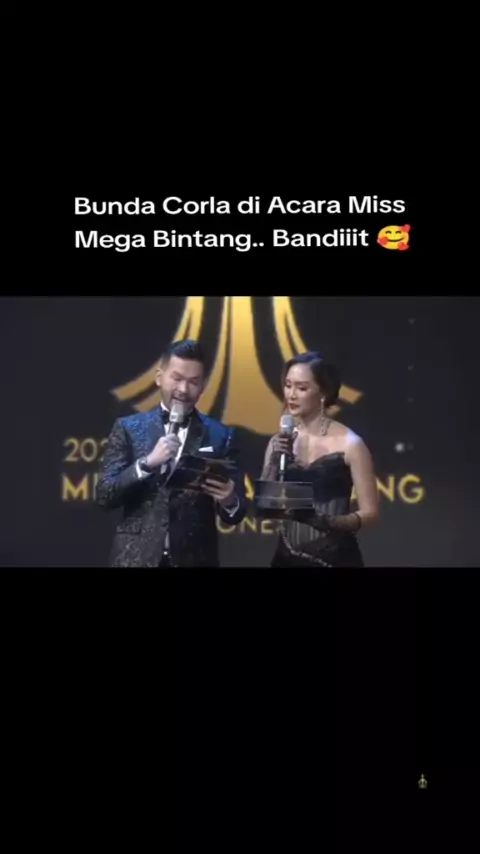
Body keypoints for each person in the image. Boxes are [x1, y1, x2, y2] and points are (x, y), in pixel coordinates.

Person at [96, 340, 246, 567]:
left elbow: (236, 513)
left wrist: (229, 500)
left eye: (193, 382)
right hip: (135, 558)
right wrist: (146, 464)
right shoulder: (129, 428)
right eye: (177, 378)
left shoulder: (221, 435)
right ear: (159, 377)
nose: (183, 390)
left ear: (203, 385)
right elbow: (104, 496)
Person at [260, 352, 379, 568]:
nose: (291, 395)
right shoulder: (279, 442)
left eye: (301, 388)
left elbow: (370, 514)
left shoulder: (351, 444)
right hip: (287, 558)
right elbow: (265, 507)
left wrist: (328, 521)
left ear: (323, 393)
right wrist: (274, 461)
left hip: (335, 558)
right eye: (288, 385)